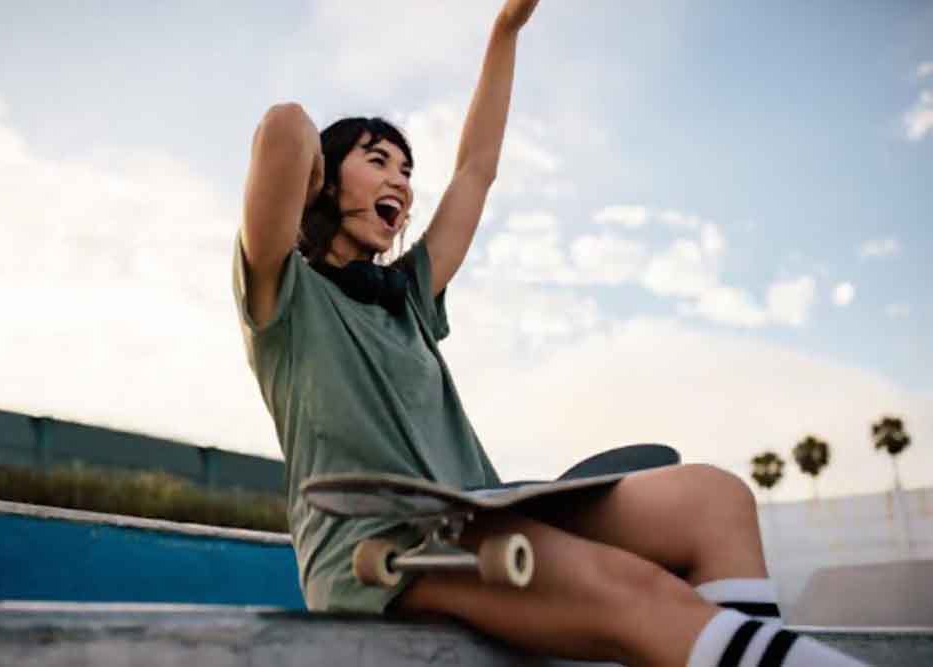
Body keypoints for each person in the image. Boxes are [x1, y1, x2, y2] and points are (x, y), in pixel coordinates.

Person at [232, 1, 866, 665]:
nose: (401, 181)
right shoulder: (283, 297)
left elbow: (477, 168)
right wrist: (305, 170)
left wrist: (506, 30)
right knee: (638, 591)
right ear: (328, 179)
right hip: (381, 548)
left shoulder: (410, 297)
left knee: (715, 498)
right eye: (379, 160)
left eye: (407, 171)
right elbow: (283, 129)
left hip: (483, 512)